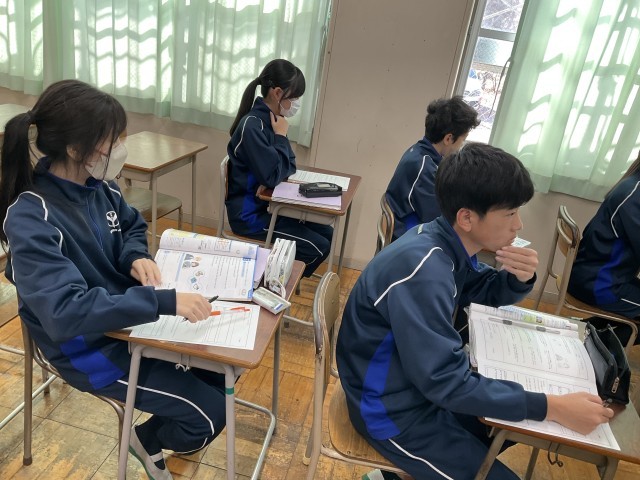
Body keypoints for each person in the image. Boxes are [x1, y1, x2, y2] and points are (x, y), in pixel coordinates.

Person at [336, 143, 613, 480]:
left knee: (511, 425)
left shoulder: (444, 243)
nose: (518, 225)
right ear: (467, 217)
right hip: (392, 411)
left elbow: (480, 289)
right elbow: (446, 383)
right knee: (517, 433)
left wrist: (517, 278)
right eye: (509, 214)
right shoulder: (424, 271)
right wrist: (552, 407)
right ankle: (392, 474)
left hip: (417, 388)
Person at [0, 80, 225, 480]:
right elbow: (66, 313)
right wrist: (164, 302)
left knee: (220, 373)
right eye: (112, 141)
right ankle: (147, 439)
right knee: (210, 414)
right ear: (76, 149)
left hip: (127, 323)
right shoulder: (32, 216)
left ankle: (163, 430)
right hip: (88, 349)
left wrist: (135, 255)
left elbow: (132, 225)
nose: (119, 149)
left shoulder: (101, 186)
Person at [227, 59, 333, 277]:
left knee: (328, 234)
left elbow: (289, 165)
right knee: (316, 248)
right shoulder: (253, 126)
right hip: (250, 216)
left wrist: (276, 164)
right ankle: (272, 282)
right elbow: (274, 175)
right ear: (277, 93)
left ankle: (278, 276)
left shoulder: (275, 121)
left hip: (269, 206)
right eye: (294, 97)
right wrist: (281, 139)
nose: (296, 103)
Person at [567, 151, 640, 345]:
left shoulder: (632, 184)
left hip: (595, 276)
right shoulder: (635, 194)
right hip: (601, 285)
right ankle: (583, 345)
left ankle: (578, 333)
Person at [385, 96, 480, 241]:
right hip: (406, 237)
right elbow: (436, 218)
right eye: (462, 140)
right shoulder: (423, 166)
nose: (461, 146)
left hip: (407, 224)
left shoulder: (421, 151)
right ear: (448, 138)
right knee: (462, 239)